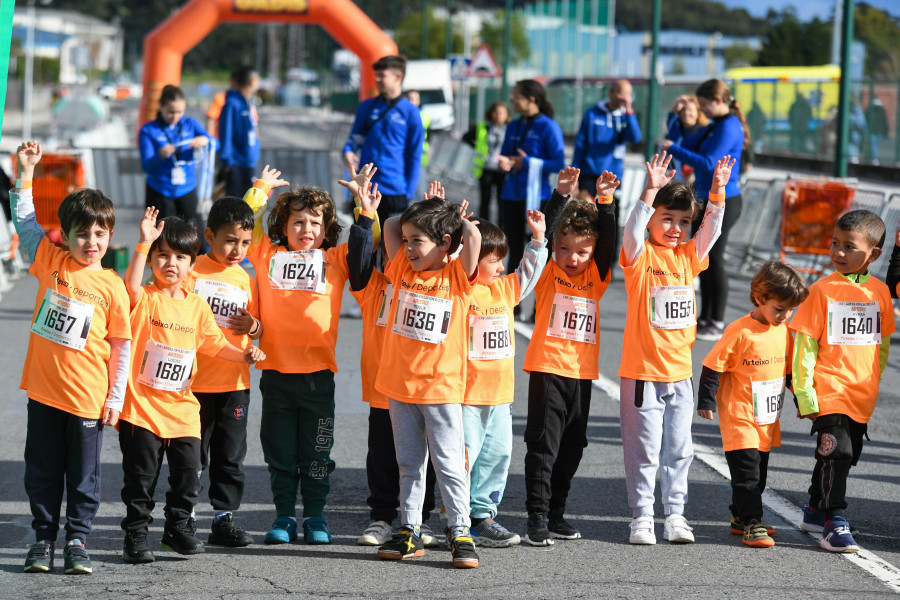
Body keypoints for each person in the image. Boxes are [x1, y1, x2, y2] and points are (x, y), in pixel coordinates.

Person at [118, 212, 265, 564]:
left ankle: (177, 527)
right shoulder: (145, 299)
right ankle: (136, 535)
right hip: (142, 407)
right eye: (162, 255)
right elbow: (131, 286)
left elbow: (213, 343)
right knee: (141, 480)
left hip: (184, 408)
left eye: (181, 257)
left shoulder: (197, 305)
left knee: (188, 474)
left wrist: (244, 354)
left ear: (191, 264)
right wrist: (142, 242)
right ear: (152, 259)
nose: (171, 263)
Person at [14, 141, 131, 575]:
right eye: (82, 233)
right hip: (44, 393)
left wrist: (115, 398)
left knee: (83, 479)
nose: (91, 241)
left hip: (87, 400)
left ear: (110, 236)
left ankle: (77, 539)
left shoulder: (113, 286)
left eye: (100, 234)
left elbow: (121, 346)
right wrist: (26, 172)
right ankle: (43, 539)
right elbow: (26, 222)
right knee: (41, 473)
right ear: (65, 234)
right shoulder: (50, 261)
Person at [618, 152, 731, 546]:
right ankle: (642, 517)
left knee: (680, 449)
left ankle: (676, 515)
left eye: (684, 221)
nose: (676, 228)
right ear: (652, 217)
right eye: (667, 218)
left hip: (680, 374)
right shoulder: (639, 256)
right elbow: (632, 232)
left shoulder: (688, 257)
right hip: (642, 374)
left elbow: (711, 230)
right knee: (645, 450)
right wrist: (648, 191)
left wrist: (717, 191)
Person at [242, 168, 351, 546]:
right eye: (297, 222)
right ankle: (285, 516)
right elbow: (247, 225)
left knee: (317, 455)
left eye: (315, 223)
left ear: (327, 230)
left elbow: (369, 244)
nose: (306, 229)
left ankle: (316, 517)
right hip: (276, 376)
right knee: (280, 454)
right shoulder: (267, 255)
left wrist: (367, 210)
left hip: (318, 379)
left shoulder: (336, 259)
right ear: (283, 227)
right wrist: (259, 191)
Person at [373, 196, 482, 568]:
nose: (407, 246)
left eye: (417, 240)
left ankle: (460, 529)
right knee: (409, 464)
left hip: (441, 389)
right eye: (407, 240)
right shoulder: (403, 267)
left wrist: (460, 221)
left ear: (446, 244)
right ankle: (409, 529)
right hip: (400, 386)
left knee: (449, 463)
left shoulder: (456, 276)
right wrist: (415, 220)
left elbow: (475, 243)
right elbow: (389, 226)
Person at [338, 167, 441, 549]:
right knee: (383, 457)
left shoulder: (433, 284)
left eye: (414, 246)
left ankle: (421, 520)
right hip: (385, 390)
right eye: (397, 246)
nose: (405, 251)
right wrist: (367, 214)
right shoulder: (373, 288)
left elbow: (448, 254)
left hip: (424, 389)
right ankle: (382, 517)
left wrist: (436, 214)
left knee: (423, 459)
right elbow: (373, 243)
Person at [520, 166, 616, 545]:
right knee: (543, 445)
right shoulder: (547, 273)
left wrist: (606, 202)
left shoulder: (596, 276)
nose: (571, 258)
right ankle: (537, 517)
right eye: (564, 249)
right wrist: (560, 196)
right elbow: (544, 235)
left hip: (581, 374)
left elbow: (608, 242)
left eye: (581, 251)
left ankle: (557, 512)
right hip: (547, 370)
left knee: (573, 446)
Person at [790, 210, 894, 553]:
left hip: (860, 394)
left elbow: (881, 345)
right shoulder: (821, 290)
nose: (838, 252)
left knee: (845, 456)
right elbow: (805, 345)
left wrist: (873, 382)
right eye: (835, 243)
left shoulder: (880, 293)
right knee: (838, 452)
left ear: (874, 255)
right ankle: (836, 521)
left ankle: (815, 510)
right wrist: (804, 393)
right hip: (828, 389)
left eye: (849, 246)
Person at [697, 262, 809, 548]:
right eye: (780, 308)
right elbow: (713, 366)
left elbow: (788, 372)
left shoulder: (784, 332)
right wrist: (706, 401)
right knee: (747, 476)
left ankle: (738, 517)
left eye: (791, 310)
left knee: (758, 476)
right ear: (760, 298)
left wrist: (800, 399)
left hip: (766, 418)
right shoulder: (740, 331)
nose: (786, 315)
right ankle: (752, 524)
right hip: (740, 416)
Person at [183, 196, 264, 548]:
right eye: (230, 240)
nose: (237, 250)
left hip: (234, 383)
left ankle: (223, 518)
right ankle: (183, 517)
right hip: (192, 382)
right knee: (191, 456)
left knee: (230, 456)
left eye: (245, 243)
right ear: (209, 235)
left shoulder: (246, 279)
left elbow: (259, 328)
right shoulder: (191, 271)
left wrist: (255, 327)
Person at [466, 213, 548, 548]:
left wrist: (538, 241)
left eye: (502, 260)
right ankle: (454, 518)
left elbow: (527, 275)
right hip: (465, 395)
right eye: (493, 260)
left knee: (497, 455)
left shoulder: (503, 288)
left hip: (500, 396)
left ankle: (483, 517)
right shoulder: (460, 290)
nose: (500, 267)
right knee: (463, 457)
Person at [662, 78, 747, 342]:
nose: (703, 111)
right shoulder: (716, 126)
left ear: (718, 101)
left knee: (715, 258)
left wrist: (672, 149)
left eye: (706, 105)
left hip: (725, 199)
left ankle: (717, 319)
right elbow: (687, 139)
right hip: (708, 198)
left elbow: (710, 163)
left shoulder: (729, 127)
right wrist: (673, 115)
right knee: (704, 260)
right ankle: (707, 317)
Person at [342, 55, 424, 228]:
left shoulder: (411, 112)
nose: (377, 80)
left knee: (392, 250)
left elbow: (415, 155)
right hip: (366, 188)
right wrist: (348, 151)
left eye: (382, 75)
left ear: (398, 77)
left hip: (395, 192)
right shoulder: (366, 106)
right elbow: (354, 139)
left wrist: (408, 193)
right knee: (364, 246)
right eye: (376, 75)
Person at [497, 79, 565, 276]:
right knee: (513, 250)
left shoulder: (549, 126)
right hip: (511, 196)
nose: (512, 100)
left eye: (516, 96)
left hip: (538, 198)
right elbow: (505, 156)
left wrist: (525, 163)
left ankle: (539, 306)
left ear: (531, 99)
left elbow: (558, 163)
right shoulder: (513, 126)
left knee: (540, 250)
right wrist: (504, 163)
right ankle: (512, 305)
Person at [572, 79, 642, 239]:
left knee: (611, 217)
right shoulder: (592, 114)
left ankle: (610, 258)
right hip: (590, 174)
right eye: (621, 93)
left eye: (628, 94)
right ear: (612, 92)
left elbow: (635, 137)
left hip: (613, 177)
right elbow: (580, 145)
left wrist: (629, 110)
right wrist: (575, 174)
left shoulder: (625, 116)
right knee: (585, 215)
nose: (624, 97)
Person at [138, 85, 212, 229]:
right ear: (161, 107)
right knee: (162, 240)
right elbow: (146, 166)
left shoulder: (190, 124)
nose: (175, 117)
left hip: (187, 188)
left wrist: (205, 140)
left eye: (180, 112)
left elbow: (215, 142)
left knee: (199, 239)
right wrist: (159, 155)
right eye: (171, 112)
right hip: (160, 190)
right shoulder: (148, 130)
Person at [463, 101, 510, 223]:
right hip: (486, 168)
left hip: (502, 169)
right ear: (491, 113)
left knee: (502, 201)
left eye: (502, 113)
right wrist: (478, 148)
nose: (498, 116)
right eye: (496, 112)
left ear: (506, 115)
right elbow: (466, 137)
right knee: (485, 200)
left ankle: (501, 228)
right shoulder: (483, 127)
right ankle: (484, 226)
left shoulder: (510, 128)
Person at [219, 65, 261, 198]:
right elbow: (226, 132)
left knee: (249, 202)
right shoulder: (232, 103)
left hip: (248, 160)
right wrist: (227, 160)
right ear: (252, 81)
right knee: (235, 202)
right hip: (236, 162)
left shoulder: (248, 102)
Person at [665, 95, 707, 183]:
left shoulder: (703, 131)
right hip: (676, 179)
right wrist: (677, 102)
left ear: (698, 113)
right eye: (683, 110)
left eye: (690, 110)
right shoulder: (676, 130)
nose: (686, 113)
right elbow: (671, 117)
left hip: (696, 180)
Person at [405, 90, 431, 203]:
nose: (412, 101)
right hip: (402, 159)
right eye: (409, 98)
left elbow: (429, 135)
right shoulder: (400, 115)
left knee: (420, 192)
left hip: (420, 158)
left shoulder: (425, 116)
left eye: (414, 98)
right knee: (405, 192)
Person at [865, 97, 888, 164]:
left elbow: (866, 119)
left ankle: (874, 158)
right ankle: (874, 158)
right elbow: (885, 121)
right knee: (876, 146)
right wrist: (885, 131)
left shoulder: (869, 109)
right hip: (879, 131)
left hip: (872, 130)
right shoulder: (882, 110)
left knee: (873, 146)